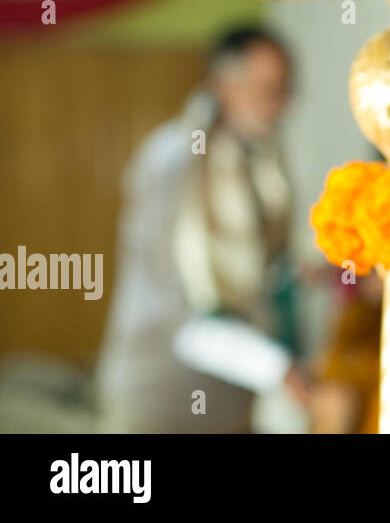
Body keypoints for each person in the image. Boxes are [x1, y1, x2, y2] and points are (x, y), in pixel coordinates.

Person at [95, 27, 296, 433]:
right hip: (163, 394)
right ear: (222, 83)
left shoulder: (254, 159)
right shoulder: (177, 159)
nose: (281, 105)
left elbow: (259, 269)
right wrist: (280, 370)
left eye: (286, 90)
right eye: (268, 89)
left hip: (230, 396)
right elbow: (179, 305)